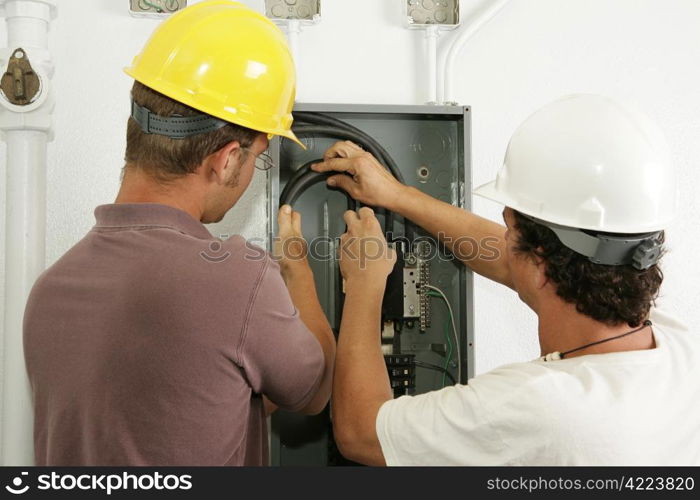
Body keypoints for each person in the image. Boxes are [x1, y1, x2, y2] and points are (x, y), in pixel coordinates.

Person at [23, 1, 335, 466]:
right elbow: (314, 390)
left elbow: (182, 407)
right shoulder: (237, 279)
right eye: (257, 159)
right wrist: (297, 267)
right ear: (227, 158)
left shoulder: (50, 291)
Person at [315, 94, 700, 465]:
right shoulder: (679, 351)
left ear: (540, 259)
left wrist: (364, 285)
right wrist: (398, 196)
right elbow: (520, 261)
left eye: (509, 228)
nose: (504, 240)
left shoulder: (539, 407)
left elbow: (361, 433)